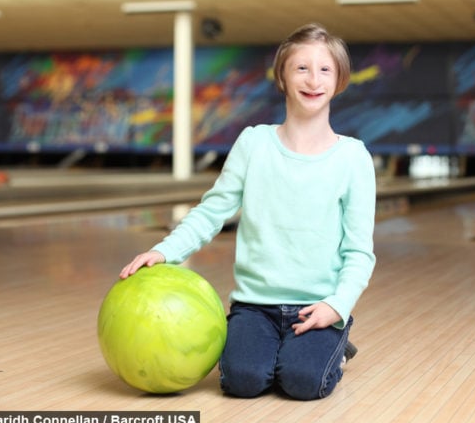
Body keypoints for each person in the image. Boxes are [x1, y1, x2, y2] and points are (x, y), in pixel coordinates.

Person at [119, 23, 377, 400]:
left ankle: (333, 345)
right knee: (242, 382)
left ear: (339, 80)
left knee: (303, 384)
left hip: (317, 305)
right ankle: (283, 349)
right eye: (300, 68)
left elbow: (359, 251)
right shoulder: (254, 143)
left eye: (324, 69)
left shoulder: (353, 157)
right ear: (283, 78)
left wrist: (336, 306)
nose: (312, 79)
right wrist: (163, 251)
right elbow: (211, 212)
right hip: (255, 305)